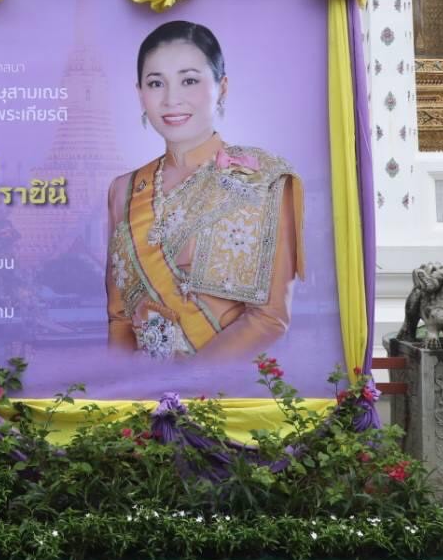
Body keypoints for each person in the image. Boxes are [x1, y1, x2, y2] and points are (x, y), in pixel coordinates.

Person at [106, 20, 304, 358]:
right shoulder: (123, 190)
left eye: (189, 81)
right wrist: (127, 395)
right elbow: (120, 318)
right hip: (139, 396)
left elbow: (269, 319)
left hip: (221, 397)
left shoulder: (265, 180)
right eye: (156, 83)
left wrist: (185, 391)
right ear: (140, 94)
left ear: (222, 87)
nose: (171, 99)